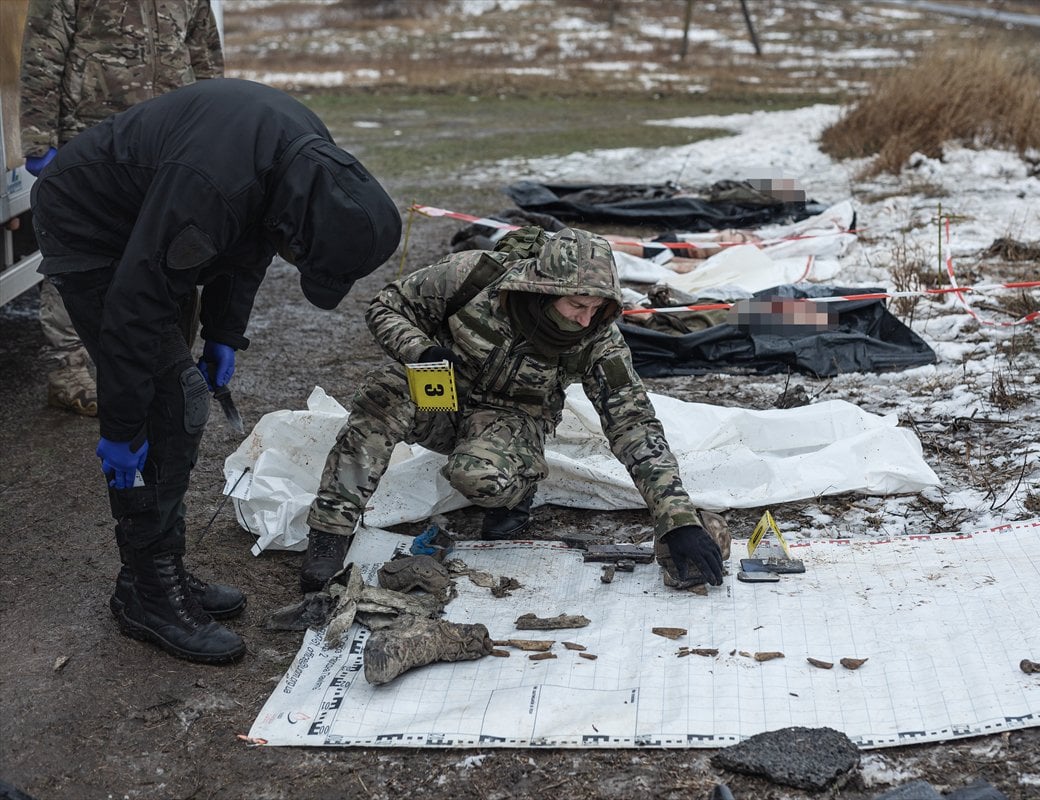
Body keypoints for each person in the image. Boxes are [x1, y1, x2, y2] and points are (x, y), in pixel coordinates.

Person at [31, 78, 403, 664]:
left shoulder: (308, 166)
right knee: (171, 400)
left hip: (151, 213)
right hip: (91, 222)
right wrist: (121, 430)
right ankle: (149, 592)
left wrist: (225, 332)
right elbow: (134, 307)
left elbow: (253, 240)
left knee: (169, 390)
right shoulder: (213, 186)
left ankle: (152, 570)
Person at [299, 226, 725, 594]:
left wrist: (677, 519)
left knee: (477, 476)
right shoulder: (475, 276)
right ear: (544, 290)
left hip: (511, 420)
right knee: (385, 394)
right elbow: (386, 305)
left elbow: (633, 424)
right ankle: (330, 532)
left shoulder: (599, 340)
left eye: (597, 309)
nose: (585, 319)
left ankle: (516, 493)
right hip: (442, 393)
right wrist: (420, 350)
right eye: (577, 306)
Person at [21, 0, 224, 417]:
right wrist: (39, 141)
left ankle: (163, 359)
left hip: (171, 141)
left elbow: (204, 52)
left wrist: (215, 128)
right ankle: (70, 367)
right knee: (80, 255)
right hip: (93, 139)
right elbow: (42, 50)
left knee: (168, 250)